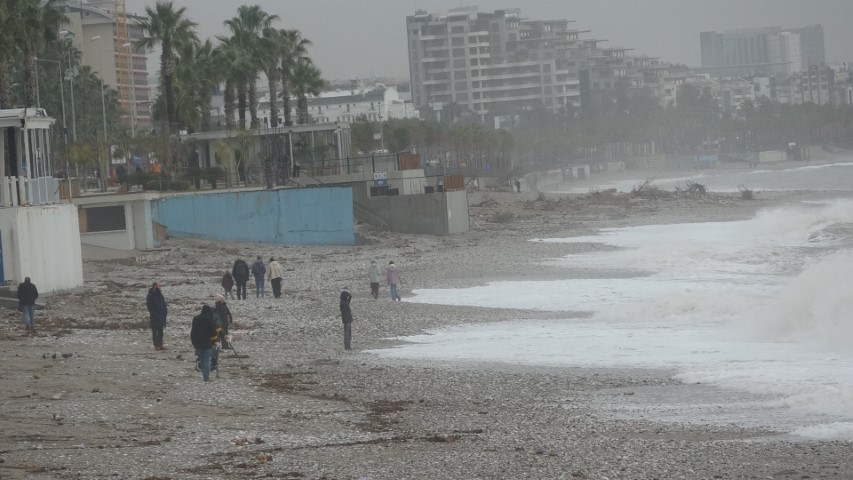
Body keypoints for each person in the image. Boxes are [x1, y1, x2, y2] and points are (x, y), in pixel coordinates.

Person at [191, 305, 220, 382]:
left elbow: (193, 332)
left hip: (197, 343)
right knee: (206, 360)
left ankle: (204, 374)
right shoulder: (210, 319)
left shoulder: (195, 319)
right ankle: (206, 377)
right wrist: (214, 341)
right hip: (207, 343)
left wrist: (193, 342)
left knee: (201, 359)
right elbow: (213, 332)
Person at [145, 282, 168, 350]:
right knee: (155, 332)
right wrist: (154, 314)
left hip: (161, 316)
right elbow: (149, 306)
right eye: (158, 285)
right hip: (154, 317)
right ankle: (156, 345)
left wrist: (165, 312)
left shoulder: (160, 295)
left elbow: (163, 304)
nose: (160, 287)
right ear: (154, 286)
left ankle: (160, 345)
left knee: (161, 331)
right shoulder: (150, 295)